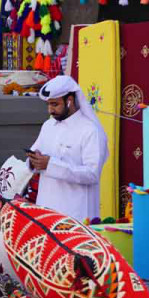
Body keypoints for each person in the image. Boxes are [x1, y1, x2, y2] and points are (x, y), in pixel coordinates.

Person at [29, 75, 108, 221]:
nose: (50, 110)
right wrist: (33, 161)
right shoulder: (48, 126)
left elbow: (92, 174)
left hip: (76, 213)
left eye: (55, 104)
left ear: (69, 101)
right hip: (46, 210)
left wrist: (50, 165)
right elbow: (36, 155)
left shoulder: (90, 130)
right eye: (48, 104)